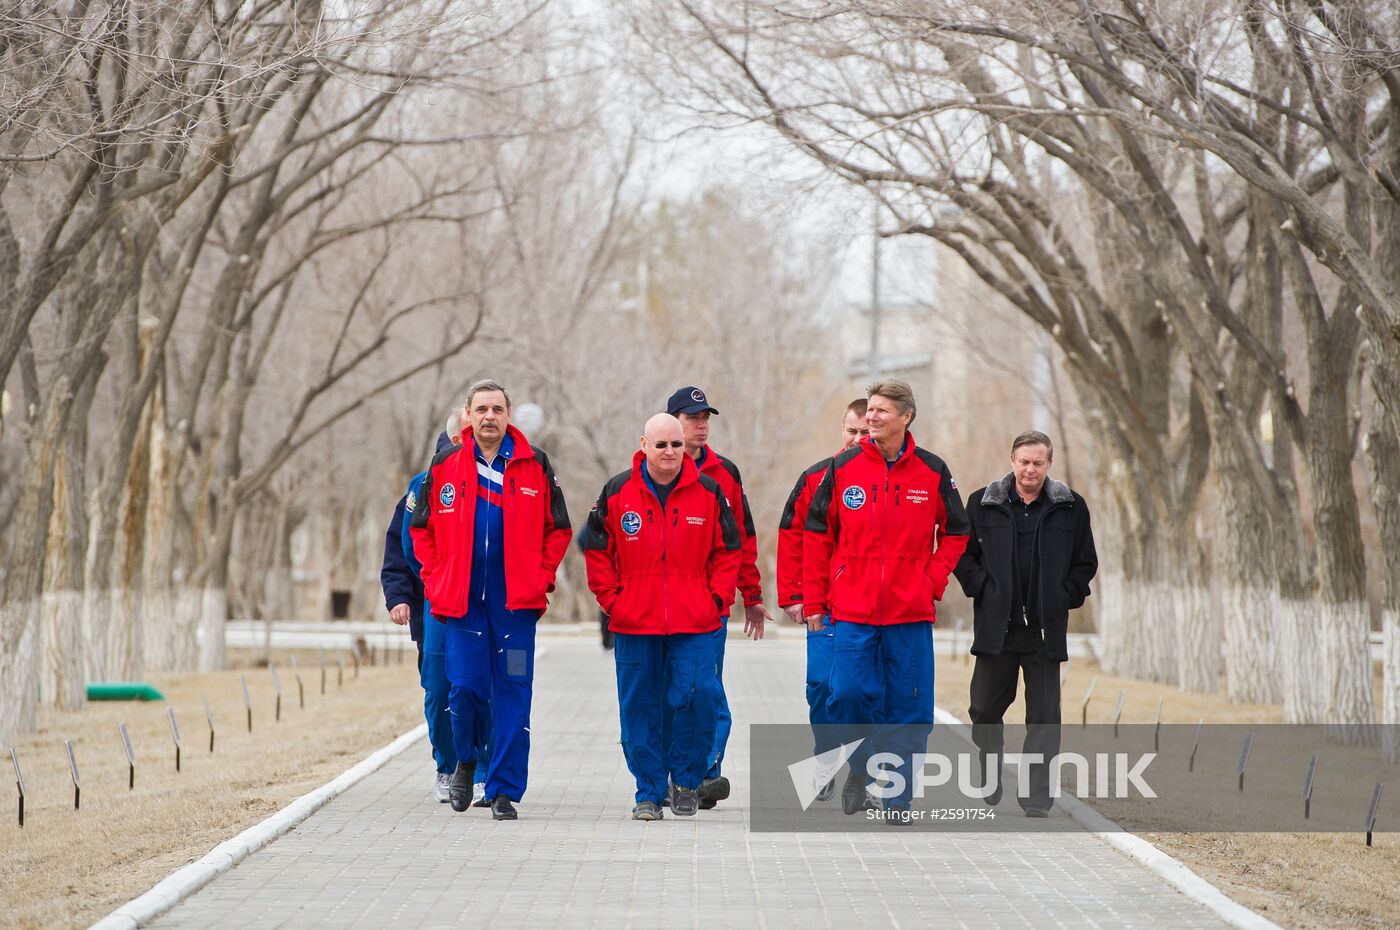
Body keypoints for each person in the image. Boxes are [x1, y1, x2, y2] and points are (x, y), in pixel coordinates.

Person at [803, 380, 970, 824]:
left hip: (909, 614)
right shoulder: (842, 468)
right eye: (869, 410)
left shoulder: (933, 471)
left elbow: (956, 532)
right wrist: (816, 599)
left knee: (909, 709)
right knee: (848, 694)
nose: (871, 417)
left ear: (905, 416)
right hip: (852, 611)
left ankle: (898, 800)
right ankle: (860, 768)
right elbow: (818, 537)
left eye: (881, 411)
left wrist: (930, 581)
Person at [410, 379, 572, 821]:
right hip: (461, 604)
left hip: (514, 608)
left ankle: (503, 789)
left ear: (508, 414)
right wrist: (436, 575)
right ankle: (465, 760)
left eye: (497, 409)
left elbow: (558, 529)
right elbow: (420, 528)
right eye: (481, 409)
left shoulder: (535, 465)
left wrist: (540, 578)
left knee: (514, 694)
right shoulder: (445, 464)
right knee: (463, 688)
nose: (489, 417)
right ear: (468, 413)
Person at [582, 413, 742, 821]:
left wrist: (716, 598)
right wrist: (612, 601)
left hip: (695, 622)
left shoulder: (709, 492)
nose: (669, 451)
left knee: (696, 697)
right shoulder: (617, 492)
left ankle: (686, 782)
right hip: (635, 622)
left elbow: (728, 551)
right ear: (643, 446)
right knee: (640, 707)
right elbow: (598, 551)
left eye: (675, 444)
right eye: (661, 445)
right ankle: (649, 790)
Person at [953, 430, 1098, 816]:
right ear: (1012, 460)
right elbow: (962, 557)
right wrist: (983, 588)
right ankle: (990, 771)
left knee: (1045, 718)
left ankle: (1036, 797)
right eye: (1024, 461)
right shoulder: (983, 503)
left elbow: (1086, 563)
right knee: (983, 710)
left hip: (1044, 632)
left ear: (1049, 464)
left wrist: (1064, 595)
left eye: (1038, 462)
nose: (1030, 469)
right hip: (996, 628)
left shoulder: (1071, 506)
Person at [665, 385, 771, 810]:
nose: (702, 424)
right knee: (671, 692)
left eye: (706, 416)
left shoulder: (725, 472)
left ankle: (704, 772)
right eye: (693, 417)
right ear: (673, 421)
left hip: (709, 606)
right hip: (659, 607)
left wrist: (752, 592)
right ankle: (675, 774)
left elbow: (742, 537)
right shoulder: (653, 467)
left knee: (704, 689)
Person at [776, 398, 868, 803]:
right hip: (823, 605)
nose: (858, 439)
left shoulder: (885, 480)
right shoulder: (816, 477)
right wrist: (794, 595)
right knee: (821, 687)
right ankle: (827, 755)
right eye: (853, 430)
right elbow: (791, 534)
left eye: (866, 432)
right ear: (842, 430)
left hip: (867, 608)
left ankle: (861, 771)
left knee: (859, 692)